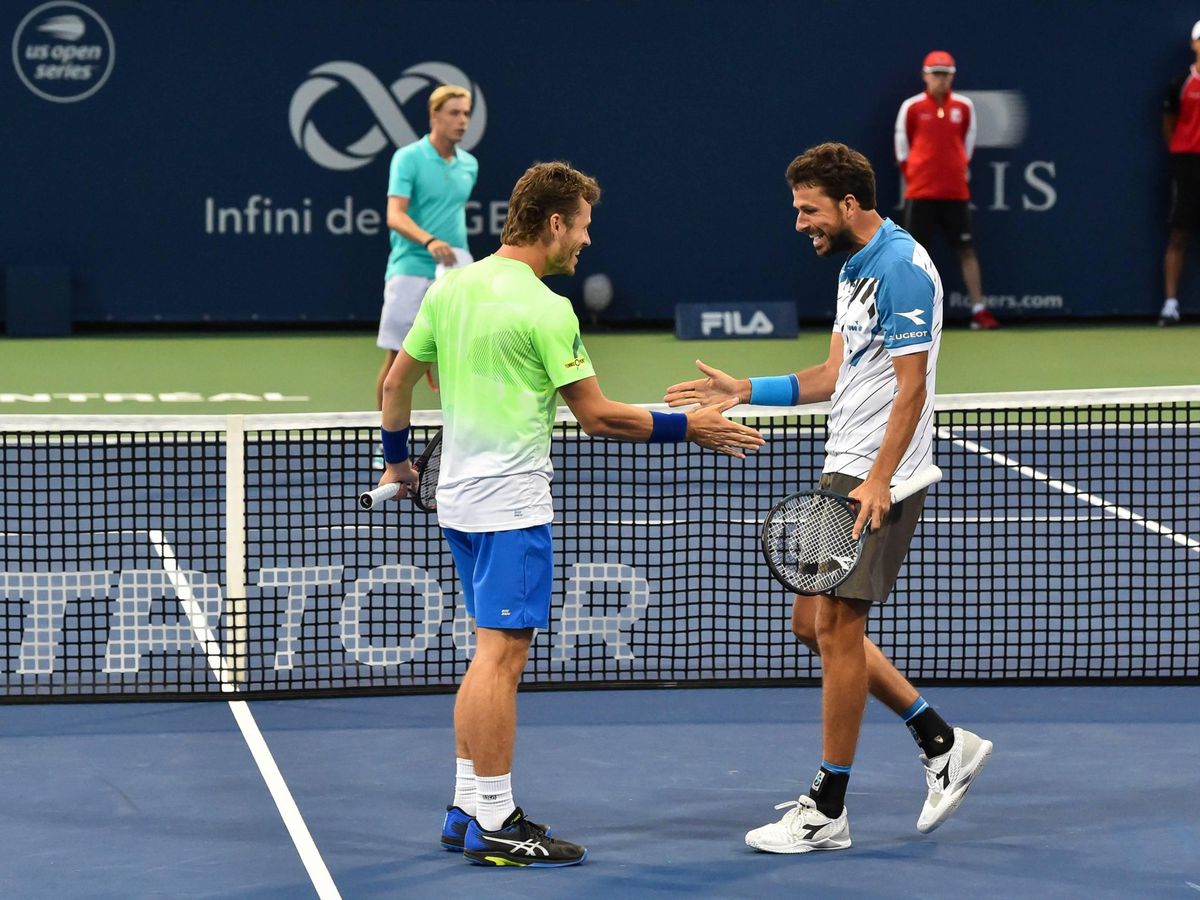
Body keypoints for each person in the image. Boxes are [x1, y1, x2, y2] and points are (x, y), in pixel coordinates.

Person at [376, 161, 764, 867]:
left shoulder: (453, 286)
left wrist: (398, 460)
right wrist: (693, 428)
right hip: (511, 505)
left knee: (484, 653)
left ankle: (466, 806)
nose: (586, 240)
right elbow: (599, 418)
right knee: (501, 657)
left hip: (460, 503)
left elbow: (394, 382)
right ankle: (498, 820)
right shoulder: (546, 308)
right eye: (583, 225)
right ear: (555, 222)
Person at [665, 143, 992, 854]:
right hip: (843, 468)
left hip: (882, 476)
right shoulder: (853, 270)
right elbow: (831, 376)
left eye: (809, 210)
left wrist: (878, 478)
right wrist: (743, 389)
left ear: (849, 204)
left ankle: (828, 808)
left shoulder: (902, 268)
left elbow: (911, 388)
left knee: (838, 630)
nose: (799, 223)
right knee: (811, 625)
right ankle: (941, 739)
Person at [376, 83, 478, 408]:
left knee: (462, 358)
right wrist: (429, 241)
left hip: (455, 272)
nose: (462, 120)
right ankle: (384, 446)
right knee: (396, 363)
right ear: (434, 115)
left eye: (466, 113)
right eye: (454, 113)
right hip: (410, 268)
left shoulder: (469, 165)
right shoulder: (407, 158)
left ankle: (460, 436)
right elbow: (395, 215)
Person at [895, 50, 999, 330]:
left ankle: (979, 309)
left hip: (955, 193)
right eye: (935, 74)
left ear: (952, 76)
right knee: (915, 256)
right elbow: (902, 147)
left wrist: (954, 172)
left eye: (945, 74)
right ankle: (911, 313)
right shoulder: (912, 107)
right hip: (920, 193)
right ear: (925, 76)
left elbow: (967, 145)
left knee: (966, 249)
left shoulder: (964, 107)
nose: (940, 79)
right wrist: (917, 177)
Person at [1158, 19, 1200, 327]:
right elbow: (1169, 124)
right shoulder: (1180, 82)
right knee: (1178, 233)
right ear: (1193, 45)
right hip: (1187, 163)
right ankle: (1170, 305)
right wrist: (1181, 149)